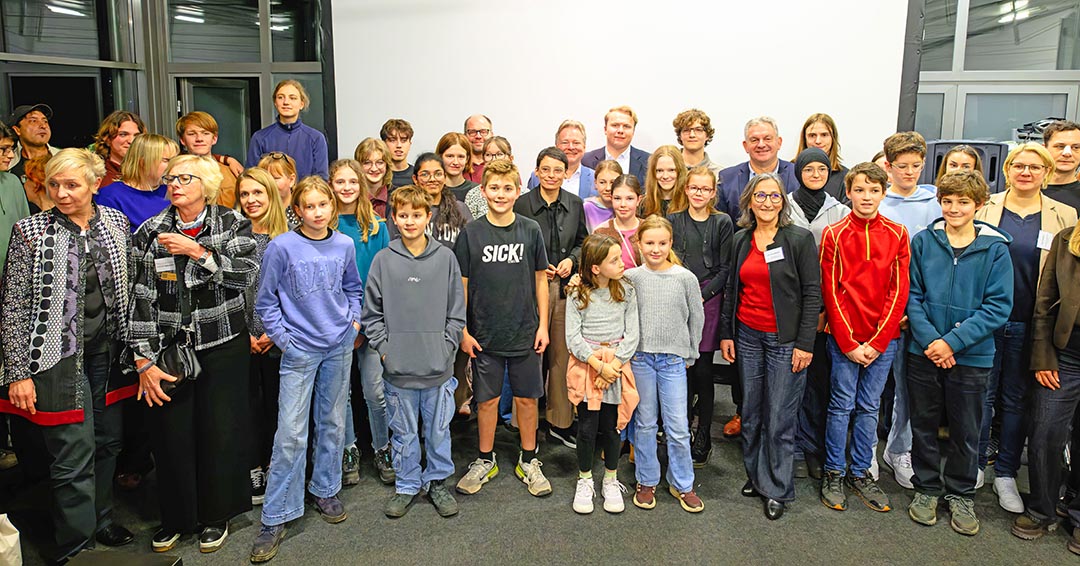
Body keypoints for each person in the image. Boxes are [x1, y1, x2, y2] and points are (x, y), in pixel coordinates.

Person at [0, 148, 135, 562]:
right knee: (72, 453)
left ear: (95, 185)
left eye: (72, 185)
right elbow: (13, 306)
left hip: (110, 353)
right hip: (55, 360)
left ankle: (101, 520)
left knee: (108, 442)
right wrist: (17, 372)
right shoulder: (30, 231)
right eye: (54, 184)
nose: (61, 193)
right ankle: (76, 548)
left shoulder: (115, 222)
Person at [130, 154, 258, 553]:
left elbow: (245, 274)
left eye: (184, 178)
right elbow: (139, 298)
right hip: (168, 349)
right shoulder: (152, 231)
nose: (175, 184)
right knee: (171, 435)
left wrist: (197, 252)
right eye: (170, 178)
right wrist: (142, 359)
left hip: (222, 344)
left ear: (206, 183)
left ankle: (214, 517)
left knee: (219, 430)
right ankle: (177, 518)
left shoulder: (231, 223)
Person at [250, 176, 363, 562]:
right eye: (308, 206)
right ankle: (277, 515)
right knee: (291, 433)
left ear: (332, 207)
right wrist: (285, 340)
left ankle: (325, 488)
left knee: (332, 422)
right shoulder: (281, 247)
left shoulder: (345, 244)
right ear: (296, 210)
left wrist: (353, 324)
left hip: (338, 346)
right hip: (299, 351)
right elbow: (265, 303)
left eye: (323, 205)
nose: (316, 213)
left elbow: (353, 289)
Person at [905, 170, 1013, 536]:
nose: (954, 208)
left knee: (967, 429)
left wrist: (952, 342)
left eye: (963, 202)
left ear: (979, 205)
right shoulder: (924, 242)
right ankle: (926, 488)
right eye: (948, 201)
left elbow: (998, 307)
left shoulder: (996, 249)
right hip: (924, 351)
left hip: (972, 356)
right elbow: (912, 297)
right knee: (924, 422)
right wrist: (933, 341)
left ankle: (961, 492)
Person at [973, 143, 1075, 513]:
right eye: (1019, 165)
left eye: (1034, 167)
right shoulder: (985, 207)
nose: (1026, 172)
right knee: (981, 395)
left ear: (1046, 173)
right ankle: (974, 467)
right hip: (984, 320)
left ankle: (1005, 472)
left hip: (1031, 323)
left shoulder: (1064, 216)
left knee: (1016, 400)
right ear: (1008, 170)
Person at [719, 173, 820, 520]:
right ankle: (756, 475)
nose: (767, 202)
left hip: (785, 340)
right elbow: (732, 290)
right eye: (760, 196)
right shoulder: (740, 239)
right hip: (747, 336)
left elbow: (812, 294)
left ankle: (777, 487)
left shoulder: (799, 240)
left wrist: (805, 342)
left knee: (779, 416)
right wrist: (727, 334)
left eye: (774, 196)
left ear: (783, 201)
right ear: (749, 200)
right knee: (751, 413)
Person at [363, 184, 466, 519]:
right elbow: (372, 314)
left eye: (416, 215)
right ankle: (407, 484)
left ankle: (437, 482)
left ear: (428, 217)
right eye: (403, 215)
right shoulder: (383, 260)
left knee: (437, 431)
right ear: (393, 218)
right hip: (398, 369)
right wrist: (385, 351)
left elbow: (456, 311)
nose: (409, 221)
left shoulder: (445, 258)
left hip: (438, 368)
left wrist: (447, 346)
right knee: (403, 432)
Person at [453, 159, 552, 498]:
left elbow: (541, 279)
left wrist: (543, 325)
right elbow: (462, 285)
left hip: (524, 329)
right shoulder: (472, 233)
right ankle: (485, 458)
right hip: (484, 333)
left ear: (517, 191)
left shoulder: (530, 230)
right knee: (487, 400)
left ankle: (529, 458)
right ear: (483, 191)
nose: (500, 194)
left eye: (507, 188)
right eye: (493, 188)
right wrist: (464, 330)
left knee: (527, 399)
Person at [818, 163, 910, 514]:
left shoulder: (898, 234)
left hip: (882, 341)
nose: (866, 197)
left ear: (884, 193)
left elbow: (898, 291)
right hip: (845, 340)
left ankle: (861, 472)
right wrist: (850, 342)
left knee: (870, 407)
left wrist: (878, 340)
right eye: (860, 190)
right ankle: (833, 471)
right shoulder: (834, 234)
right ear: (849, 192)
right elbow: (831, 291)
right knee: (841, 405)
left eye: (874, 190)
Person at [627, 215, 705, 513]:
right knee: (645, 423)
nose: (656, 249)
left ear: (671, 243)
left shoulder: (685, 278)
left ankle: (682, 483)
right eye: (649, 243)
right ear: (639, 244)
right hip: (642, 359)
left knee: (678, 426)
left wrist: (690, 353)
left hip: (673, 361)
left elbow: (696, 318)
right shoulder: (633, 278)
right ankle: (646, 479)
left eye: (662, 243)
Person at [877, 131, 942, 489]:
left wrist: (913, 309)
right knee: (871, 389)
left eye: (916, 166)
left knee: (908, 388)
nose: (909, 173)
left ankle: (899, 449)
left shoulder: (933, 202)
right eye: (902, 167)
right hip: (879, 309)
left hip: (916, 309)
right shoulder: (876, 200)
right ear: (887, 166)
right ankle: (867, 448)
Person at [1012, 221, 1080, 551]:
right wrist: (1043, 356)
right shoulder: (1067, 239)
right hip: (1065, 354)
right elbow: (1045, 299)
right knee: (1044, 432)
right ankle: (1042, 507)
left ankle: (1076, 510)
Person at [514, 147, 587, 449]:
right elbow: (514, 245)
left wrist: (572, 259)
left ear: (566, 173)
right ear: (536, 171)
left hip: (564, 289)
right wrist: (535, 267)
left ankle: (559, 422)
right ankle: (525, 422)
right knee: (530, 356)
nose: (552, 176)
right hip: (530, 289)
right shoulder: (522, 204)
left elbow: (583, 241)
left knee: (560, 356)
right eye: (545, 170)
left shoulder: (575, 203)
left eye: (558, 171)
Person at [328, 159, 393, 486]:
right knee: (340, 394)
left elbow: (383, 278)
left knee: (374, 391)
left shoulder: (377, 226)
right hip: (336, 324)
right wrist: (346, 324)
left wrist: (366, 325)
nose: (347, 188)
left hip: (371, 323)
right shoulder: (325, 226)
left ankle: (382, 447)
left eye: (352, 181)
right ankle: (349, 449)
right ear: (331, 185)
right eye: (340, 182)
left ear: (362, 185)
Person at [787, 148, 850, 479]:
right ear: (798, 172)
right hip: (786, 307)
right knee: (789, 381)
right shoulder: (782, 205)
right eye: (808, 169)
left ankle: (812, 445)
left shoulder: (840, 211)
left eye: (821, 170)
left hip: (825, 308)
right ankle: (792, 445)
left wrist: (826, 309)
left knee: (817, 382)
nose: (815, 174)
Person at [566, 233, 640, 514]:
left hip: (616, 367)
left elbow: (632, 334)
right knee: (587, 427)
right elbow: (572, 337)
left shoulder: (626, 291)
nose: (622, 263)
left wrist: (614, 367)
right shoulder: (577, 293)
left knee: (612, 427)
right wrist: (599, 367)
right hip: (588, 367)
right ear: (595, 267)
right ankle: (584, 479)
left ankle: (610, 478)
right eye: (614, 260)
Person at [667, 166, 733, 467]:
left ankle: (703, 433)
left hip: (708, 297)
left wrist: (700, 297)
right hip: (676, 296)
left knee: (703, 368)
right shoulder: (674, 220)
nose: (699, 194)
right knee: (682, 370)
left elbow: (724, 269)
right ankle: (680, 430)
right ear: (686, 189)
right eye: (694, 188)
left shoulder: (722, 222)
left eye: (705, 189)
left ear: (713, 193)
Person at [236, 167, 290, 506]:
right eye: (244, 194)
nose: (251, 200)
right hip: (240, 337)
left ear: (270, 194)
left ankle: (274, 465)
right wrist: (244, 333)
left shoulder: (289, 235)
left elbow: (296, 290)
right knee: (246, 407)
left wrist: (274, 330)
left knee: (278, 405)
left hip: (279, 337)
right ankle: (252, 466)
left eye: (258, 193)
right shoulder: (232, 234)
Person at [718, 116, 800, 218]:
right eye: (754, 140)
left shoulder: (797, 174)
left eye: (767, 139)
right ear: (745, 146)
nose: (761, 144)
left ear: (779, 142)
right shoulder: (727, 178)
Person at [246, 79, 328, 179]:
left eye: (292, 98)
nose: (286, 102)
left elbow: (321, 178)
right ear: (275, 103)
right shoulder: (260, 138)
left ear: (301, 104)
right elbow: (252, 176)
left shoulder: (316, 138)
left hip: (305, 193)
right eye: (280, 97)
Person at [94, 134, 178, 232]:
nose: (174, 166)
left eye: (175, 160)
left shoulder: (173, 189)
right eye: (166, 160)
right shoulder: (110, 196)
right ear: (143, 162)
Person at [388, 153, 472, 247]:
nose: (432, 179)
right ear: (415, 179)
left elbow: (470, 245)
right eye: (425, 174)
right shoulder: (403, 209)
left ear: (445, 177)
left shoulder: (460, 209)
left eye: (438, 174)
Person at [176, 111, 244, 208]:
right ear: (182, 140)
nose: (199, 138)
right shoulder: (175, 174)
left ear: (214, 138)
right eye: (192, 134)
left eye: (205, 133)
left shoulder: (231, 172)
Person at [527, 120, 597, 199]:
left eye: (576, 143)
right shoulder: (537, 177)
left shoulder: (596, 178)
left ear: (584, 147)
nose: (571, 147)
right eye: (565, 142)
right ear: (556, 146)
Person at [581, 105, 650, 182]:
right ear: (605, 129)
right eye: (615, 125)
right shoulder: (585, 160)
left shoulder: (648, 162)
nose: (620, 131)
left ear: (633, 131)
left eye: (626, 126)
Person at [795, 113, 849, 204]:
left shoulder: (846, 177)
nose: (818, 141)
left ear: (833, 138)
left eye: (824, 135)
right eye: (812, 135)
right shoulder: (789, 171)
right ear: (804, 139)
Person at [594, 174, 643, 269]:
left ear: (638, 200)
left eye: (629, 199)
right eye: (617, 198)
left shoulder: (650, 229)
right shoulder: (600, 232)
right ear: (611, 198)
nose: (623, 204)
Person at [93, 110, 146, 186]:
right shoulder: (98, 175)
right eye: (123, 134)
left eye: (136, 136)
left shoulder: (148, 172)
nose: (131, 141)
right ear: (107, 139)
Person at [7, 104, 59, 180]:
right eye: (33, 121)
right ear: (17, 130)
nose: (43, 126)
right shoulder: (7, 162)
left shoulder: (63, 158)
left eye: (45, 121)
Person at [466, 136, 513, 219]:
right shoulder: (473, 195)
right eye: (488, 155)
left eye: (499, 154)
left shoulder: (522, 194)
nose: (494, 159)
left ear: (510, 158)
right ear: (483, 159)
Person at [1041, 120, 1080, 213]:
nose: (1067, 153)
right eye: (1060, 146)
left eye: (1076, 147)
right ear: (1044, 149)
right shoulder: (1025, 190)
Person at [673, 109, 722, 178]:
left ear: (707, 135)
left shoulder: (718, 174)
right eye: (686, 130)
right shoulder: (667, 169)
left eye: (698, 130)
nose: (692, 135)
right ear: (680, 135)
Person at [353, 138, 394, 219]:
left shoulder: (398, 197)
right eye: (367, 163)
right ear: (358, 166)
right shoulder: (352, 197)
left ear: (387, 165)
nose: (374, 168)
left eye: (380, 162)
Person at [643, 145, 687, 218]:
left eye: (671, 170)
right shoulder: (644, 205)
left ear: (680, 171)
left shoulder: (689, 204)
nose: (665, 176)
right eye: (659, 170)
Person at [258, 152, 300, 228]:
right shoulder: (255, 211)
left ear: (291, 180)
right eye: (264, 179)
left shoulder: (303, 211)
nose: (269, 184)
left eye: (275, 178)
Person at [437, 132, 478, 204]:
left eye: (461, 157)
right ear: (440, 157)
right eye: (450, 156)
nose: (455, 162)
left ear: (467, 159)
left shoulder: (476, 191)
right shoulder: (432, 189)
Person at [584, 160, 621, 233]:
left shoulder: (624, 207)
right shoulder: (587, 208)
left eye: (612, 183)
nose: (608, 188)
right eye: (602, 182)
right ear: (595, 183)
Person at [381, 118, 414, 188]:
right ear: (383, 144)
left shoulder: (417, 176)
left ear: (410, 144)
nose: (399, 145)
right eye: (392, 140)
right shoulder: (378, 176)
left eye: (404, 140)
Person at [463, 114, 493, 184]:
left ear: (492, 134)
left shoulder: (504, 167)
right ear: (464, 136)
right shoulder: (457, 166)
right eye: (472, 132)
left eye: (483, 132)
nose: (478, 136)